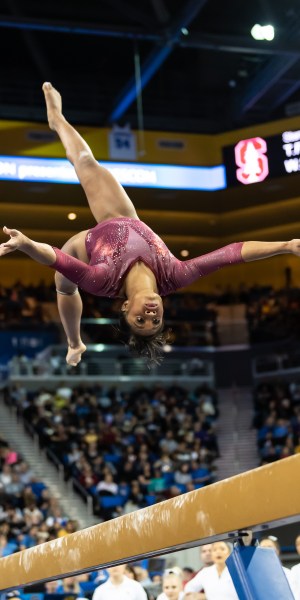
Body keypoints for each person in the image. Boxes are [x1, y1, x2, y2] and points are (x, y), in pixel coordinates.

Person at [2, 83, 300, 366]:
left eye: (139, 320)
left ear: (125, 308)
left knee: (64, 285)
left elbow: (55, 256)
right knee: (86, 161)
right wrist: (286, 245)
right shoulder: (175, 275)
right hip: (125, 217)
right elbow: (234, 252)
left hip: (86, 244)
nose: (150, 315)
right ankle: (57, 120)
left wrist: (25, 244)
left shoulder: (102, 280)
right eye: (155, 321)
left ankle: (73, 339)